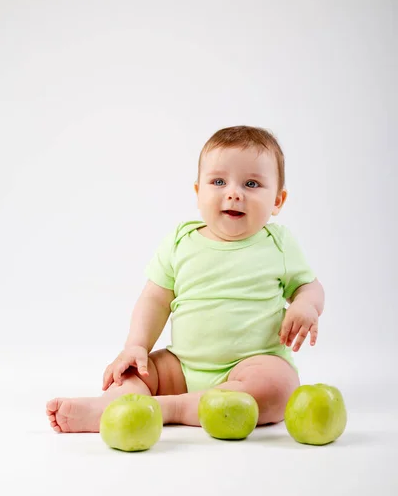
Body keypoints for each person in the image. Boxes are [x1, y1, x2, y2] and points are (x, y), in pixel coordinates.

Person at [47, 125, 324, 433]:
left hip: (252, 365)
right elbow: (155, 298)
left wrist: (306, 306)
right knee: (134, 372)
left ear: (278, 201)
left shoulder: (278, 243)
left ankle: (165, 408)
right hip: (181, 367)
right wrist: (136, 345)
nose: (234, 193)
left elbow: (309, 287)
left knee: (278, 387)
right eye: (218, 181)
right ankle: (112, 407)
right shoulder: (181, 241)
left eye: (252, 183)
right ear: (198, 193)